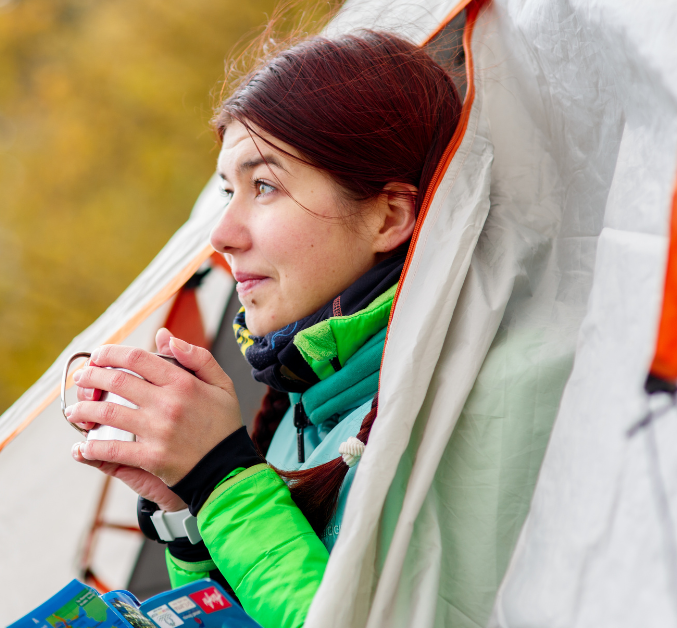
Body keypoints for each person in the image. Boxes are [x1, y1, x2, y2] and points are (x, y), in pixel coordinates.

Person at [65, 30, 461, 628]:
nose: (221, 235)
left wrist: (223, 476)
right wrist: (189, 512)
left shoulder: (467, 401)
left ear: (389, 216)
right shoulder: (304, 405)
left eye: (264, 187)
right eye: (228, 191)